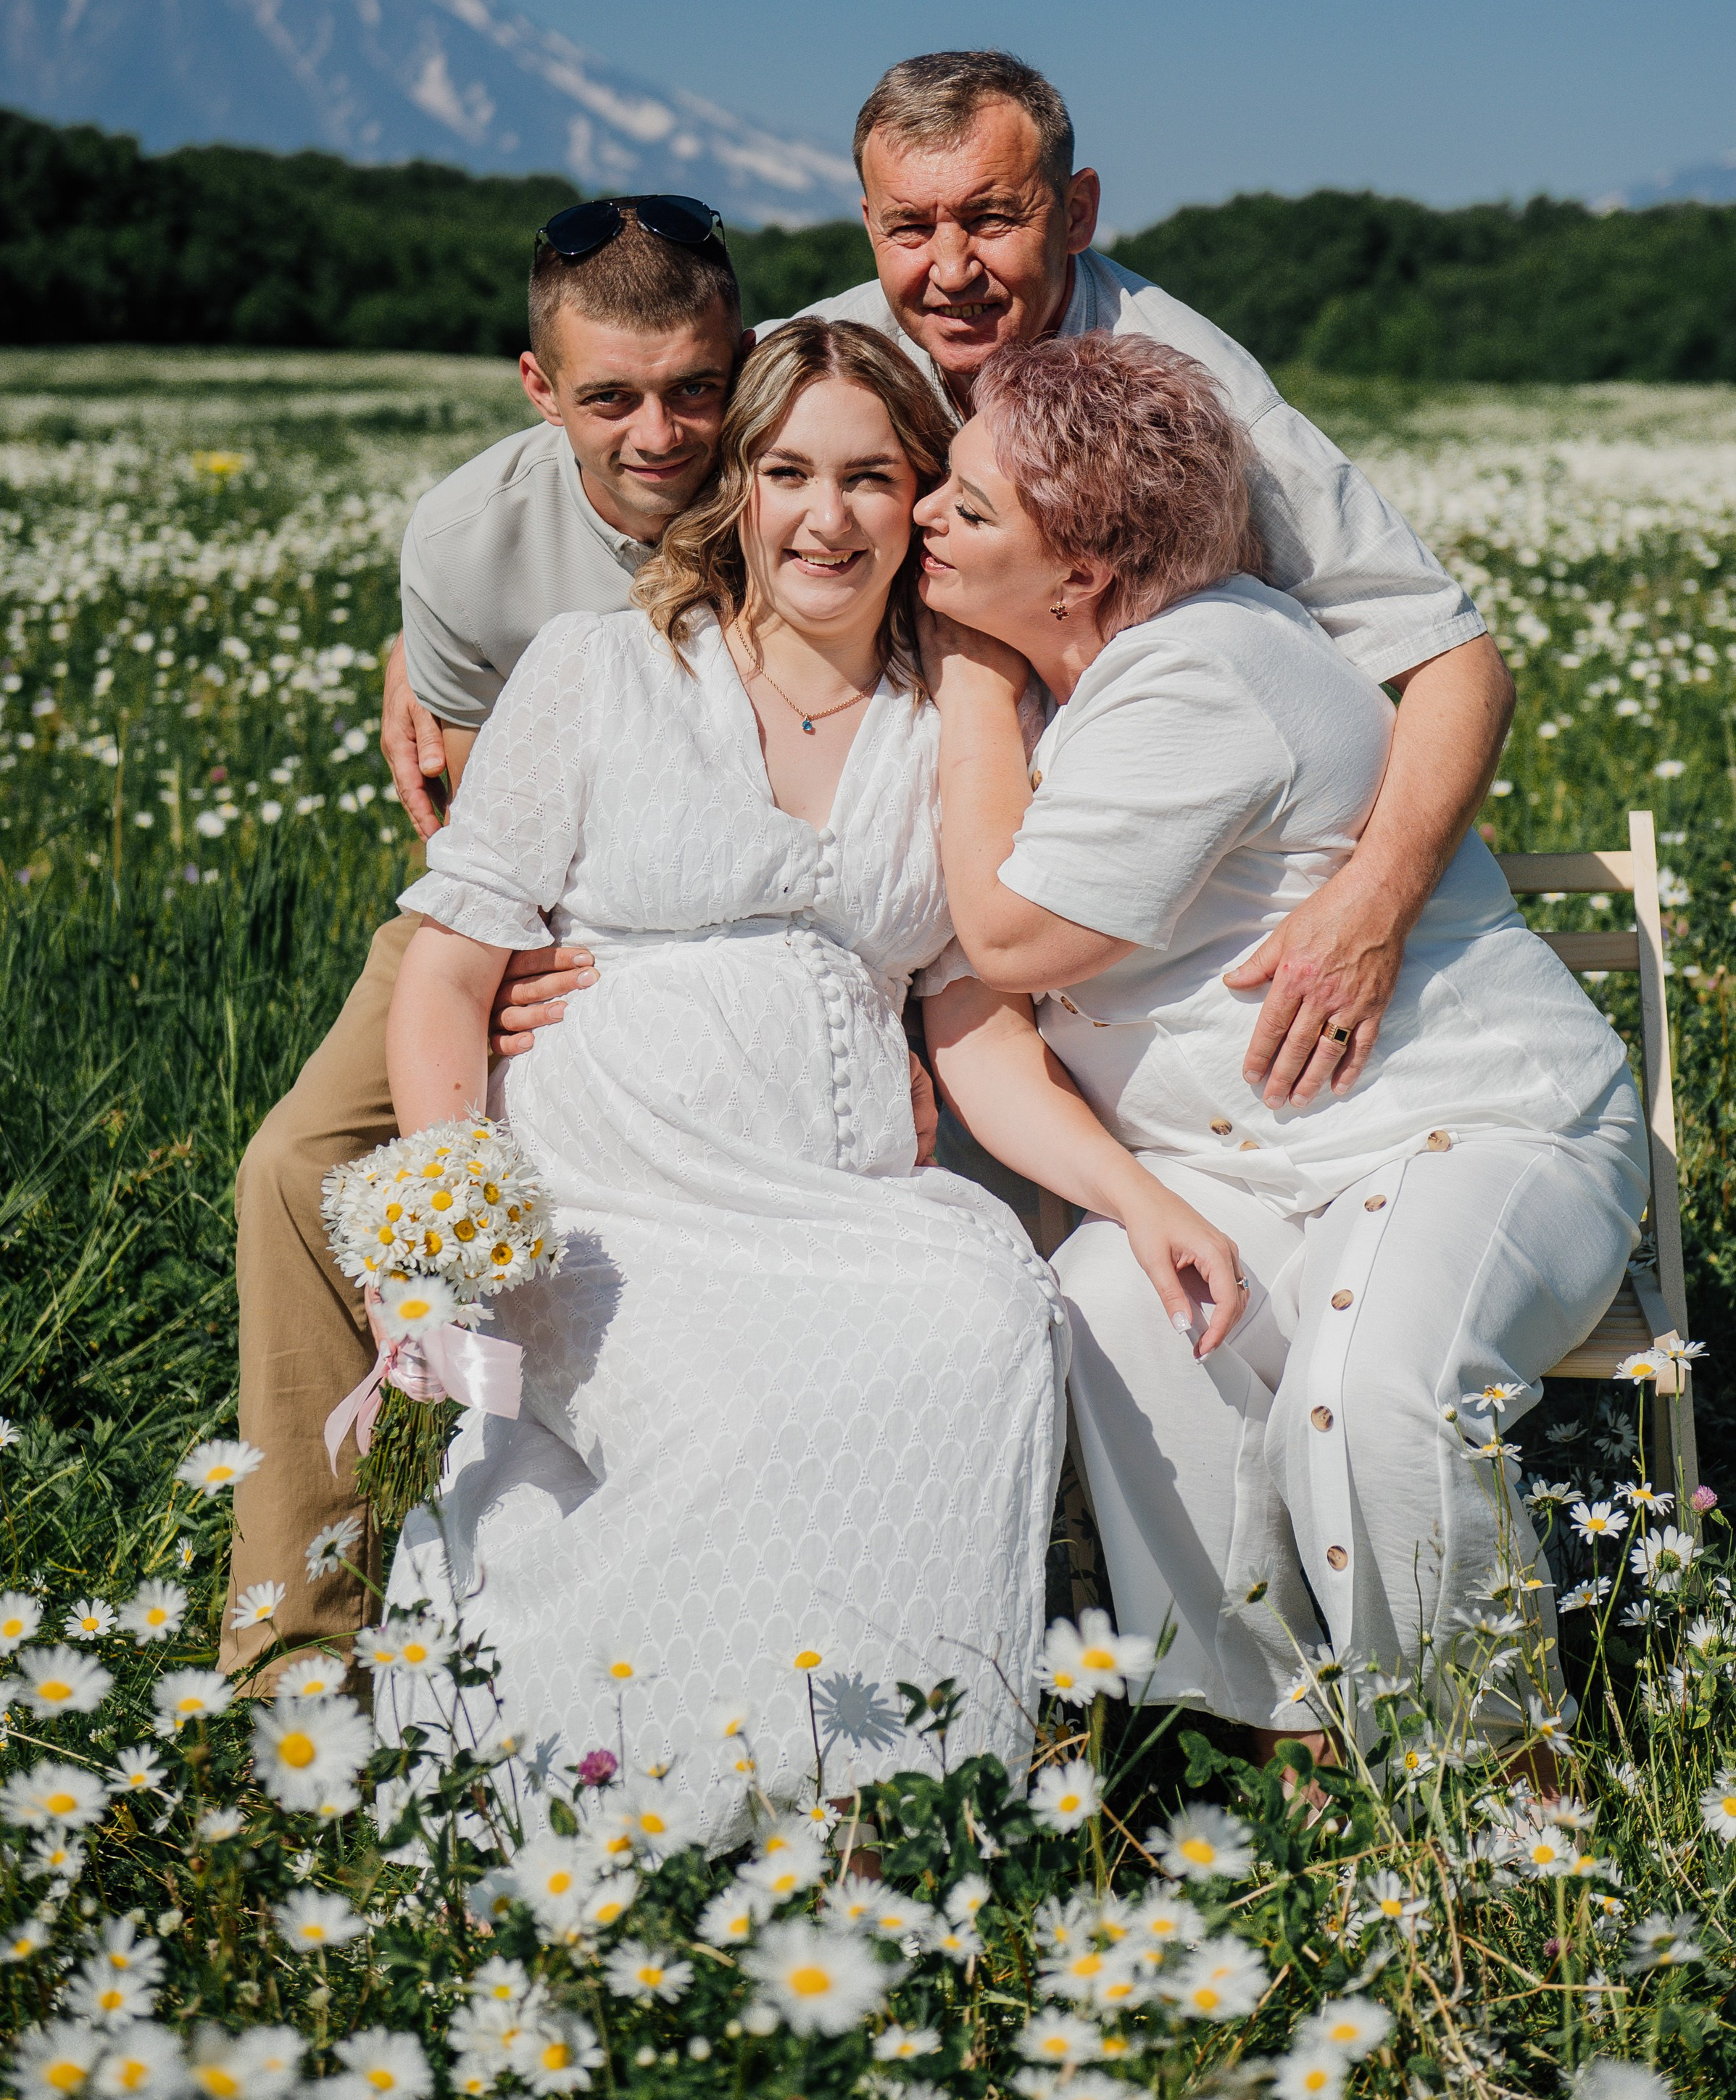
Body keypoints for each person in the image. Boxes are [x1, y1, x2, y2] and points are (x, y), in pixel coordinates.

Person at [375, 320, 1210, 1839]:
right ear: (739, 491)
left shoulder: (958, 727)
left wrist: (1132, 1197)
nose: (825, 520)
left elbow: (970, 1019)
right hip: (611, 1211)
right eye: (787, 473)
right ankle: (633, 1794)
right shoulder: (599, 670)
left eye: (871, 479)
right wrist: (447, 1199)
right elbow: (446, 963)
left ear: (923, 501)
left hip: (837, 1204)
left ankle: (885, 1787)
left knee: (978, 1326)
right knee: (736, 1411)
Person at [913, 332, 1645, 1739]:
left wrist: (956, 683)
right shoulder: (1080, 685)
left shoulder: (1204, 673)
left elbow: (1000, 943)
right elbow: (974, 1006)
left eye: (970, 508)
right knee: (1112, 1309)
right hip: (1257, 1172)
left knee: (1372, 1385)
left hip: (1472, 1130)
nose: (928, 521)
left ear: (1080, 574)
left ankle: (1487, 1772)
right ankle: (1277, 1738)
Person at [222, 198, 755, 1677]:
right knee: (294, 1165)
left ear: (745, 360)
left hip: (748, 915)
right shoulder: (466, 542)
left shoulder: (807, 472)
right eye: (610, 398)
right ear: (539, 388)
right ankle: (291, 1647)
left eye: (695, 387)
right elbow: (453, 832)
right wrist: (498, 980)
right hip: (524, 909)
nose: (660, 432)